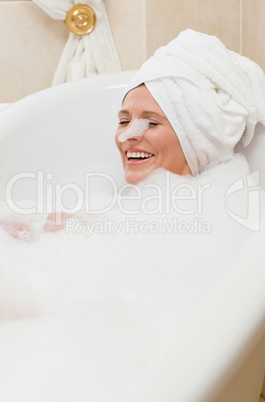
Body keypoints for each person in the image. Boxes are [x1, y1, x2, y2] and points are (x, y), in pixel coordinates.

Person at [1, 29, 265, 238]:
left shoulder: (210, 219)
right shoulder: (121, 204)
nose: (127, 136)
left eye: (152, 123)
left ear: (197, 140)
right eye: (124, 120)